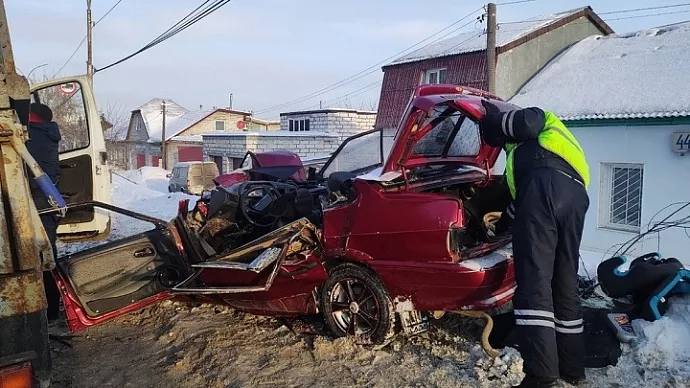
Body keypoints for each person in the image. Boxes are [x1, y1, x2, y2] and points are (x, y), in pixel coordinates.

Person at [479, 100, 590, 388]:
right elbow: (521, 203)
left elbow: (527, 121)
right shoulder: (541, 149)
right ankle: (572, 368)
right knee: (564, 283)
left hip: (546, 192)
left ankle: (542, 375)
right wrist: (501, 226)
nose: (502, 147)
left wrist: (490, 123)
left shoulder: (537, 119)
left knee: (534, 284)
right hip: (575, 198)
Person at [26, 102, 63, 322]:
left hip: (40, 205)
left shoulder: (35, 138)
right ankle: (49, 309)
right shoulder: (44, 134)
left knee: (45, 258)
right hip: (44, 204)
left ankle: (49, 311)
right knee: (46, 255)